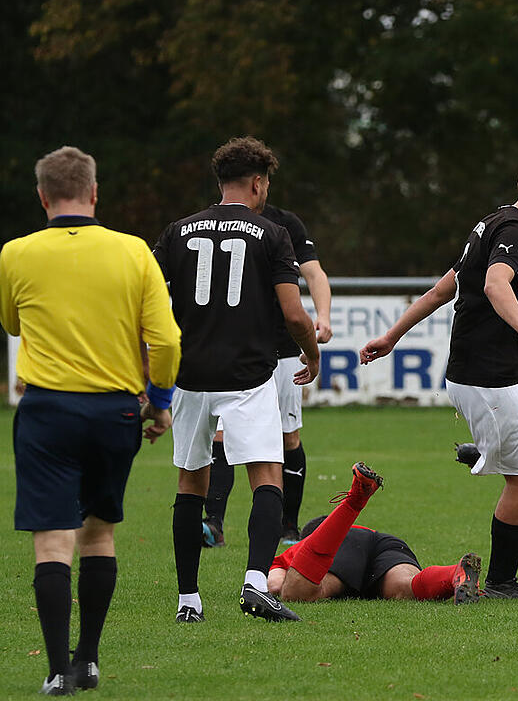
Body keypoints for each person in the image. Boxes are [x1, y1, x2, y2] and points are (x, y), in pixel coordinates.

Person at [360, 143, 518, 599]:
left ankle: (490, 451)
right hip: (489, 375)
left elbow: (440, 291)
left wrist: (391, 337)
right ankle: (502, 581)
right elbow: (494, 284)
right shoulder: (515, 228)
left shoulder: (490, 224)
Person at [0, 146, 181, 694]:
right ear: (95, 193)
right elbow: (167, 339)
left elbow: (11, 324)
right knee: (98, 534)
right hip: (114, 411)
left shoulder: (15, 253)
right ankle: (89, 660)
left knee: (52, 543)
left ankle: (56, 670)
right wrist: (159, 399)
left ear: (42, 196)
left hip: (47, 409)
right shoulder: (132, 253)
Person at [153, 137, 320, 623]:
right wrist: (312, 354)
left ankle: (189, 601)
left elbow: (149, 300)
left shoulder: (177, 231)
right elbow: (294, 313)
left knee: (191, 482)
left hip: (189, 376)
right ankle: (254, 583)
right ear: (258, 182)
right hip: (247, 374)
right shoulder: (270, 232)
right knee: (266, 475)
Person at [201, 203, 333, 547]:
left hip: (282, 351)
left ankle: (288, 527)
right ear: (259, 181)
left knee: (288, 436)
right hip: (233, 348)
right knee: (221, 434)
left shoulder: (284, 223)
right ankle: (213, 524)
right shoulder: (208, 223)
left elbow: (314, 273)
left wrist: (324, 315)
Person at [267, 462, 482, 605]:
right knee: (407, 587)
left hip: (346, 543)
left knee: (297, 593)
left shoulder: (295, 552)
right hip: (385, 543)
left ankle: (353, 501)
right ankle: (455, 573)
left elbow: (275, 585)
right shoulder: (366, 535)